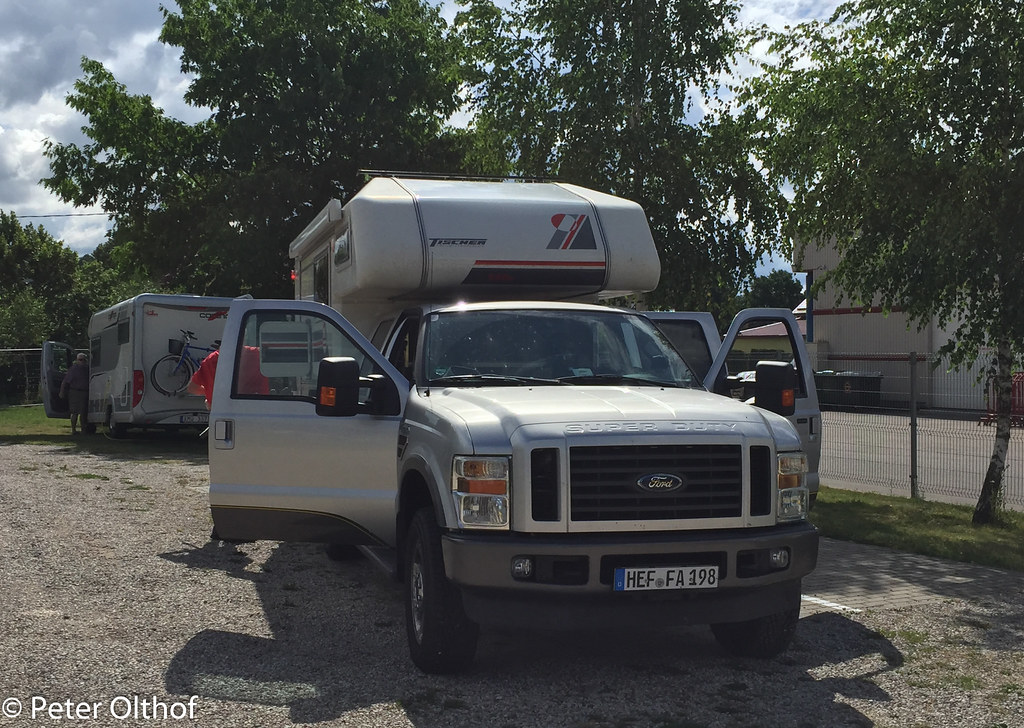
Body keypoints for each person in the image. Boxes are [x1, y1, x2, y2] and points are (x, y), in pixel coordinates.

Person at [187, 347, 269, 409]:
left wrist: (211, 395)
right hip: (255, 409)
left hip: (221, 412)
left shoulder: (212, 359)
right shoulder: (256, 354)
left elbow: (193, 388)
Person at [59, 352, 90, 434]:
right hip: (74, 392)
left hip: (84, 392)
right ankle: (73, 429)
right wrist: (62, 392)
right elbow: (65, 381)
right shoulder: (73, 369)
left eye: (83, 360)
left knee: (83, 412)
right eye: (80, 360)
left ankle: (83, 429)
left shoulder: (88, 369)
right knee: (74, 412)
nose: (82, 361)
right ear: (77, 360)